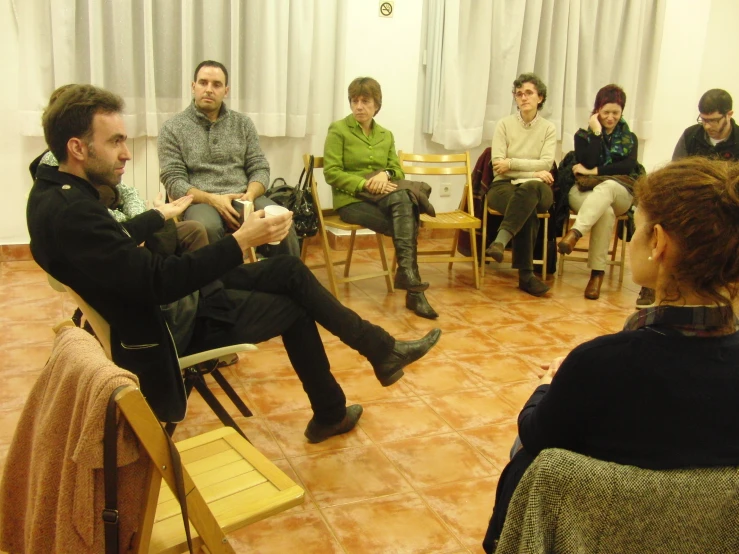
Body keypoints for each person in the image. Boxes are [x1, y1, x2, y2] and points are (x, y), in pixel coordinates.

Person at [27, 84, 441, 442]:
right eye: (115, 141)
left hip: (166, 304)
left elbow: (115, 244)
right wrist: (242, 239)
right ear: (77, 148)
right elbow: (160, 281)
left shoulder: (55, 194)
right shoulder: (74, 212)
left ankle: (379, 355)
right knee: (295, 304)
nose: (125, 154)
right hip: (170, 326)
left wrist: (159, 216)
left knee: (290, 270)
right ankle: (339, 402)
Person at [482, 157, 739, 552]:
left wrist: (550, 384)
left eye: (635, 229)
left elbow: (535, 433)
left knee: (526, 454)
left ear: (658, 242)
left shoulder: (599, 364)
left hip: (601, 538)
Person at [158, 60, 300, 257]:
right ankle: (222, 287)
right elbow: (173, 180)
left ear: (226, 90)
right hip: (201, 202)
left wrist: (250, 195)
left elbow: (259, 167)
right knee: (205, 228)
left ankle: (286, 281)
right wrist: (213, 199)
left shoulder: (243, 123)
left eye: (216, 84)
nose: (208, 89)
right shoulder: (172, 128)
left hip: (244, 197)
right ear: (193, 87)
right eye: (203, 83)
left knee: (281, 221)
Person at [323, 77, 437, 319]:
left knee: (404, 201)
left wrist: (385, 174)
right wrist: (365, 183)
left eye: (365, 101)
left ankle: (410, 279)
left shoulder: (386, 134)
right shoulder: (339, 129)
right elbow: (331, 173)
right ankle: (414, 292)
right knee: (407, 215)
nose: (359, 106)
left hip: (383, 197)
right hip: (350, 201)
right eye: (355, 101)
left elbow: (398, 171)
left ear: (377, 105)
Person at [557, 85, 643, 300]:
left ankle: (575, 233)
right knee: (604, 213)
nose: (611, 118)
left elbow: (626, 167)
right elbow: (589, 159)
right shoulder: (583, 135)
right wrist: (596, 132)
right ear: (597, 111)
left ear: (622, 112)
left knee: (610, 186)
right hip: (583, 193)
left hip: (620, 194)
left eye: (616, 113)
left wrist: (594, 172)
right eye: (606, 113)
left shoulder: (629, 138)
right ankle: (597, 274)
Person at [485, 73, 556, 297]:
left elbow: (547, 162)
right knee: (527, 207)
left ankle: (500, 240)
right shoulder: (504, 125)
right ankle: (526, 276)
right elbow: (498, 164)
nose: (523, 97)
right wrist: (534, 170)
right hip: (503, 186)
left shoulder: (548, 129)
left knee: (530, 190)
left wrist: (512, 163)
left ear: (540, 97)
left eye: (529, 93)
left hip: (538, 187)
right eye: (519, 94)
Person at [673, 88, 739, 161]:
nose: (707, 126)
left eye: (713, 120)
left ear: (729, 115)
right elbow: (675, 170)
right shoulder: (690, 135)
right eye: (704, 119)